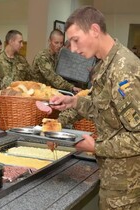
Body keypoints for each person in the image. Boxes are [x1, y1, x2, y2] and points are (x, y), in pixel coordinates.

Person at [49, 6, 140, 209]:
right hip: (115, 176)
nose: (72, 49)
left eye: (75, 40)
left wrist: (96, 147)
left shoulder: (123, 70)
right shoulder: (104, 64)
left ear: (95, 30)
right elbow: (107, 108)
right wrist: (74, 102)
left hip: (127, 186)